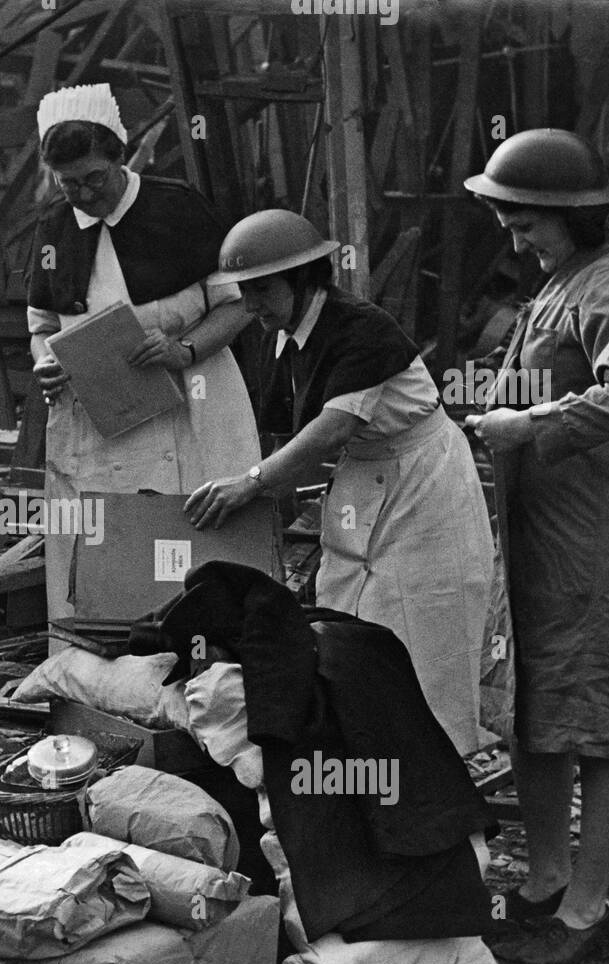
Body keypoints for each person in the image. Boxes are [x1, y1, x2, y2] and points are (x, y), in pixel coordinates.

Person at [462, 129, 609, 964]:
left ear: (575, 215)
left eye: (527, 225)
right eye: (508, 225)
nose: (516, 242)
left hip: (603, 535)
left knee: (602, 720)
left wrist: (529, 424)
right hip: (546, 532)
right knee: (540, 707)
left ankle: (588, 910)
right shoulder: (562, 283)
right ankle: (549, 879)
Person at [186, 209, 495, 759]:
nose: (251, 304)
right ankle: (368, 770)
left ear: (303, 279)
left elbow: (332, 428)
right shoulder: (282, 335)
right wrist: (261, 506)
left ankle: (438, 779)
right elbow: (286, 427)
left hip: (423, 483)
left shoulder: (361, 327)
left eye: (262, 289)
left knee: (423, 629)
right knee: (347, 620)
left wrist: (253, 482)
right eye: (244, 291)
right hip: (364, 477)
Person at [25, 83, 262, 626]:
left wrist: (184, 349)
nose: (84, 195)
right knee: (105, 548)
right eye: (69, 185)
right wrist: (45, 362)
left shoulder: (176, 206)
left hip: (192, 400)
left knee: (194, 533)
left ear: (119, 157)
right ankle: (103, 656)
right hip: (99, 414)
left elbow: (239, 305)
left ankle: (208, 655)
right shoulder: (54, 230)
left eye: (95, 178)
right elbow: (41, 326)